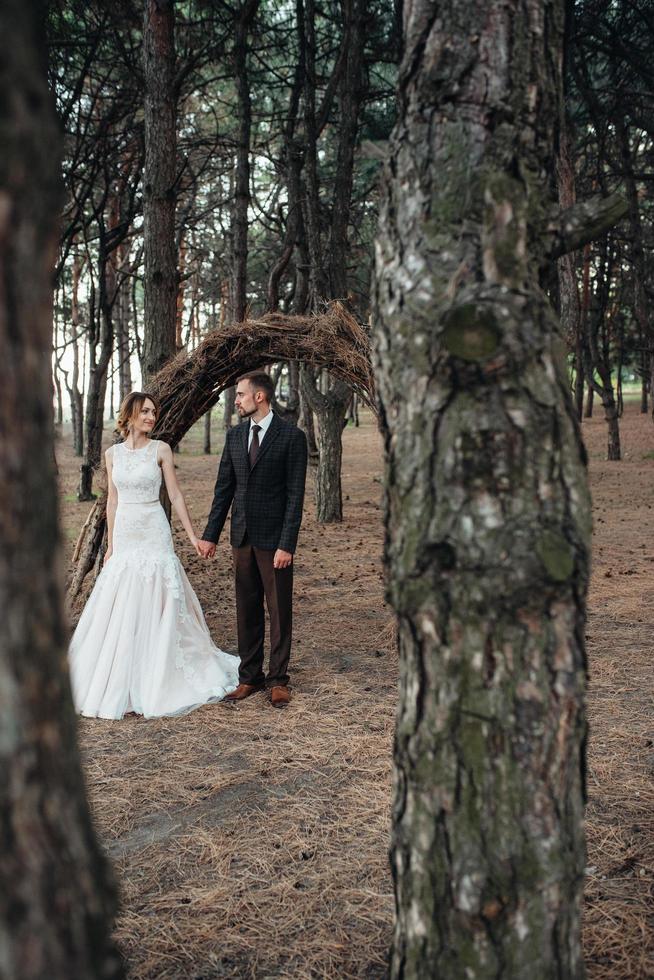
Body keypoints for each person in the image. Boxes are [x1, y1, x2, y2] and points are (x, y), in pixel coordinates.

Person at [68, 392, 239, 719]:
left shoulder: (160, 450)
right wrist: (113, 546)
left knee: (159, 592)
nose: (151, 417)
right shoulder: (112, 454)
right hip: (127, 531)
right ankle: (124, 672)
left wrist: (192, 536)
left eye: (154, 412)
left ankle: (160, 668)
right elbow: (112, 501)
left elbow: (174, 494)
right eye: (145, 411)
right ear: (130, 414)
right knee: (123, 597)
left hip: (154, 527)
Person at [198, 371, 308, 708]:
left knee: (278, 609)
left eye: (241, 394)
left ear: (260, 396)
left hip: (275, 540)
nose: (237, 400)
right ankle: (249, 677)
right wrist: (211, 535)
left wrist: (287, 544)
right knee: (246, 608)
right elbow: (224, 491)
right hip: (241, 537)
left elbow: (295, 496)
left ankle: (278, 679)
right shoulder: (234, 437)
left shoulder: (292, 437)